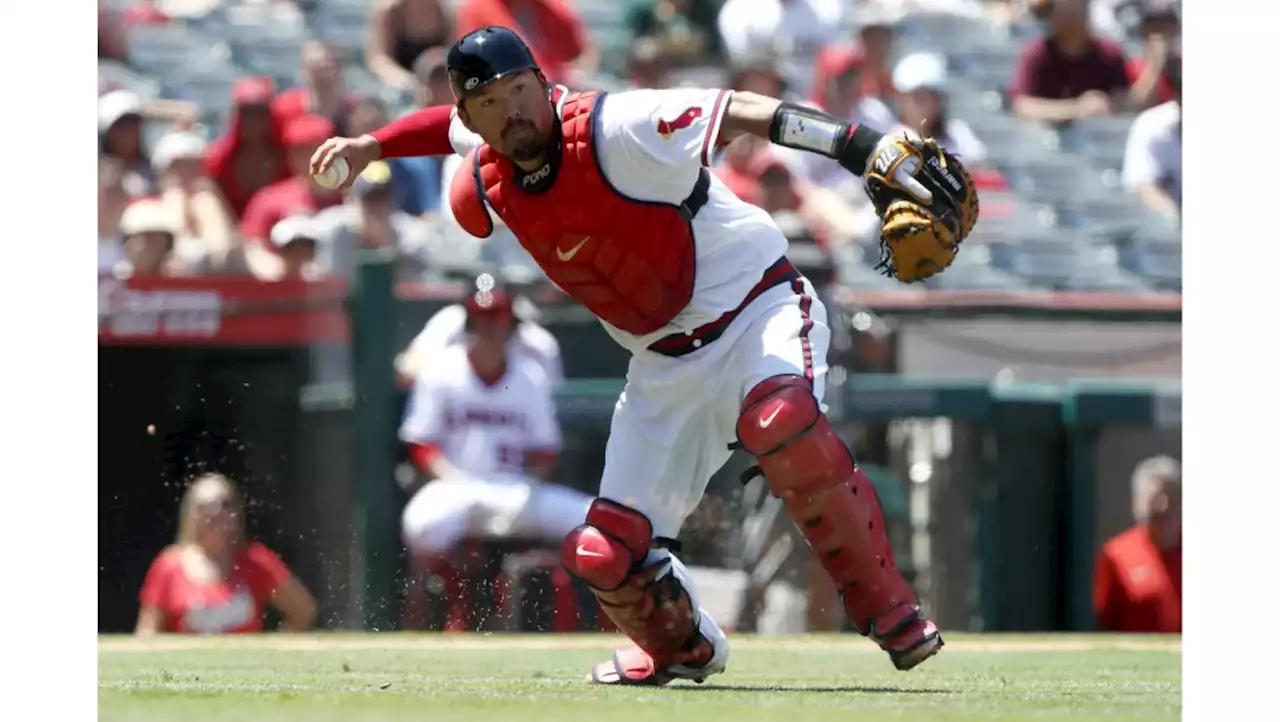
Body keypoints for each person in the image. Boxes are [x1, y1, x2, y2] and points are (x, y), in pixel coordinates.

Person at [311, 26, 952, 685]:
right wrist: (371, 146)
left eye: (520, 92)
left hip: (756, 305)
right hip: (662, 364)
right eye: (491, 105)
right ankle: (683, 649)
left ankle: (888, 607)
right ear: (471, 118)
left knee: (780, 421)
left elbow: (740, 111)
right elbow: (438, 128)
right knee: (603, 555)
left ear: (543, 83)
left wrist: (861, 145)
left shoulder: (615, 126)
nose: (511, 112)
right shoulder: (487, 161)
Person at [398, 276, 591, 558]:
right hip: (456, 487)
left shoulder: (530, 376)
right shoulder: (440, 370)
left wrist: (529, 487)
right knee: (422, 526)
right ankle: (450, 595)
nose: (490, 327)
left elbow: (545, 452)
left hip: (515, 488)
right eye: (482, 317)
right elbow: (420, 443)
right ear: (468, 322)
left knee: (590, 522)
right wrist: (452, 478)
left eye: (498, 318)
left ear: (512, 326)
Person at [135, 473, 318, 635]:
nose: (215, 512)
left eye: (224, 504)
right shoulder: (169, 565)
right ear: (190, 514)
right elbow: (148, 632)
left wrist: (275, 654)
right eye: (205, 506)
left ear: (236, 513)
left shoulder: (255, 560)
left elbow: (303, 610)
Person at [1092, 456, 1181, 633]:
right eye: (1154, 503)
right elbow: (1104, 622)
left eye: (1171, 498)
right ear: (1137, 504)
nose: (1163, 506)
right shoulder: (1115, 555)